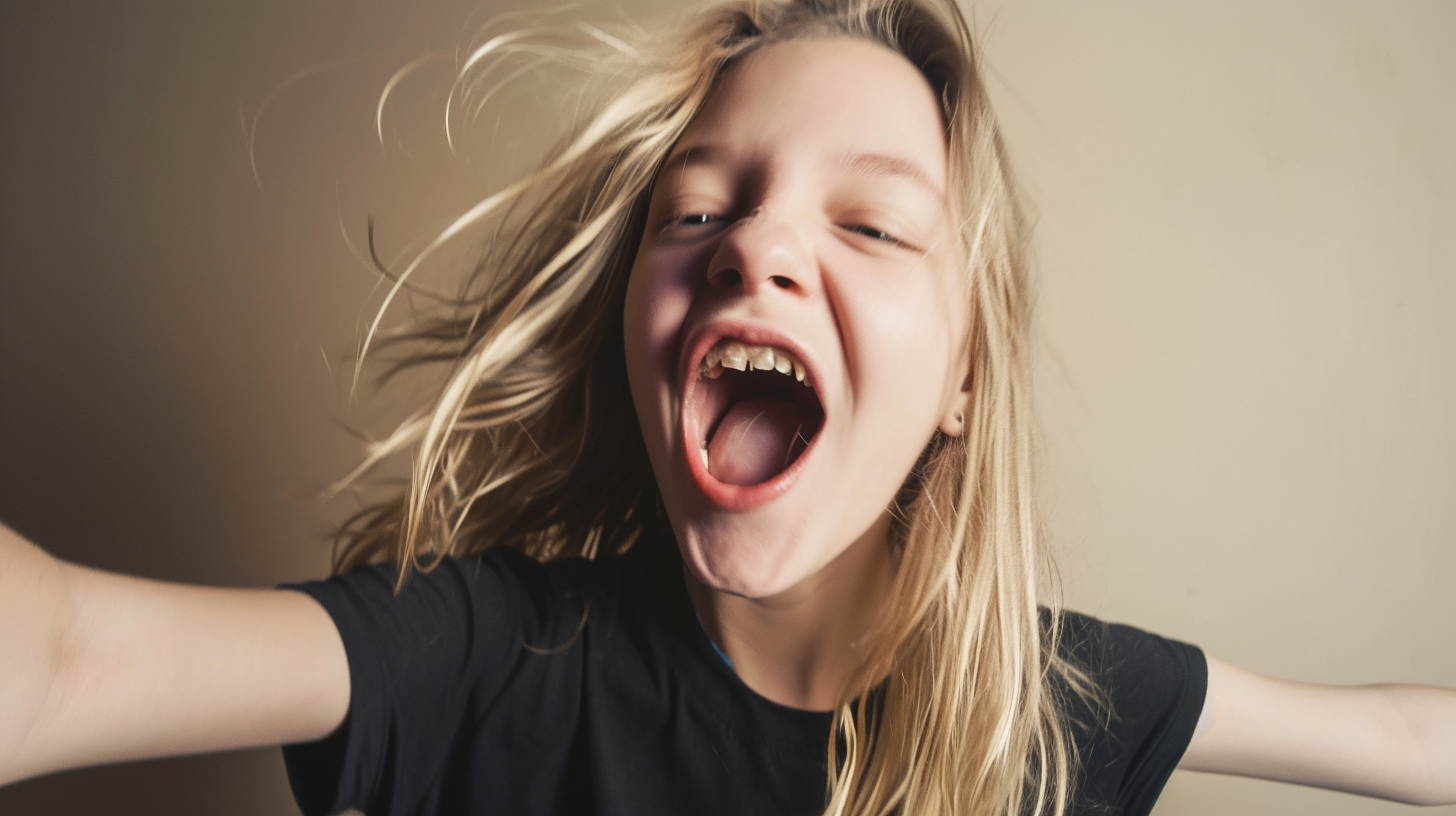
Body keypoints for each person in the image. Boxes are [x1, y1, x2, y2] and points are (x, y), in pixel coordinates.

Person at [1, 0, 1453, 814]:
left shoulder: (1049, 705)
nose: (752, 246)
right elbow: (59, 656)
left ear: (960, 383)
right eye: (698, 212)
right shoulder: (484, 655)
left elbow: (1402, 740)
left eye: (872, 228)